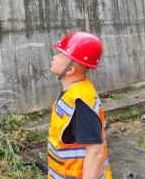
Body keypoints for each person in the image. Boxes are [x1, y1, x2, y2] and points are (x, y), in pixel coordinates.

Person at [48, 31, 112, 179]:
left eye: (59, 54)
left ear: (70, 69)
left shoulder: (80, 102)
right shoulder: (72, 92)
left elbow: (95, 152)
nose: (54, 57)